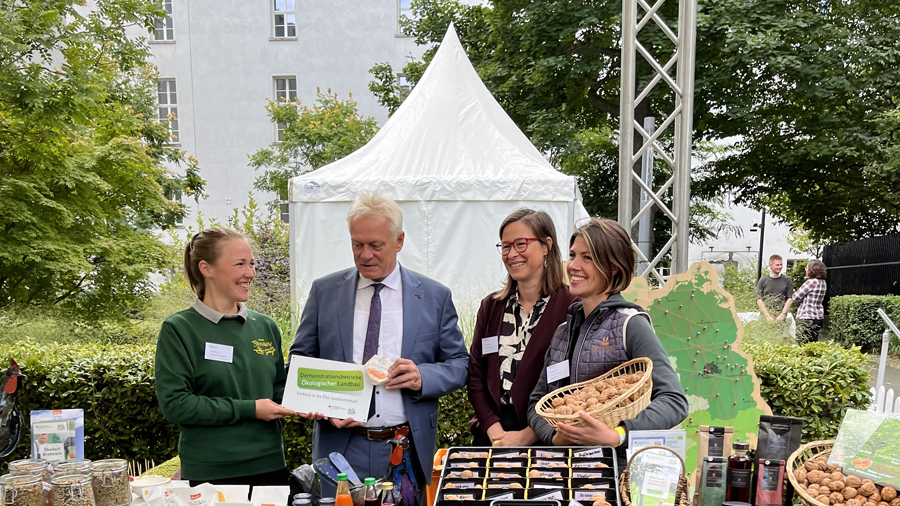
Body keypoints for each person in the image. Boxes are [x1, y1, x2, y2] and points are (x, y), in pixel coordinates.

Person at [290, 193, 468, 498]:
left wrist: (422, 377)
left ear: (399, 241)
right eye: (357, 244)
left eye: (376, 245)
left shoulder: (434, 296)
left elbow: (459, 364)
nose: (365, 255)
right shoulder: (325, 292)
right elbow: (300, 361)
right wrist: (319, 402)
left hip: (404, 448)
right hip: (340, 448)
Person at [527, 218, 688, 467]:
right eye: (573, 255)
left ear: (613, 267)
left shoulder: (630, 324)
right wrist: (554, 438)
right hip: (565, 471)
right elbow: (537, 402)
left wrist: (618, 435)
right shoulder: (562, 332)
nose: (573, 266)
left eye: (587, 258)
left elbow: (674, 401)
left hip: (614, 473)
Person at [155, 228, 295, 488]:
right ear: (206, 268)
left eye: (252, 264)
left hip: (270, 466)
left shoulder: (266, 326)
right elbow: (176, 404)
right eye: (240, 264)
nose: (250, 273)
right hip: (211, 472)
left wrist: (317, 400)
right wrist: (250, 409)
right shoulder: (179, 329)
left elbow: (278, 389)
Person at [467, 209, 577, 446]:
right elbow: (476, 374)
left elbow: (575, 383)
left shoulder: (572, 307)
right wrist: (492, 427)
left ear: (546, 246)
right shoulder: (491, 307)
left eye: (521, 244)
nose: (512, 254)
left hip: (547, 437)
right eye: (506, 247)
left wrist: (531, 433)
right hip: (493, 436)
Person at [777, 259, 827, 343]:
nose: (805, 269)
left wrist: (801, 299)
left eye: (807, 267)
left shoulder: (811, 282)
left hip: (807, 317)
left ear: (812, 270)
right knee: (813, 343)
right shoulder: (823, 282)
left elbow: (795, 297)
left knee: (803, 343)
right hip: (818, 317)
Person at [756, 254, 793, 322]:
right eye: (777, 265)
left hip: (780, 318)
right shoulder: (763, 280)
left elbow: (790, 299)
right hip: (765, 318)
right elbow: (759, 299)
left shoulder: (787, 280)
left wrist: (782, 314)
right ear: (770, 265)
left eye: (781, 264)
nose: (780, 267)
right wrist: (768, 316)